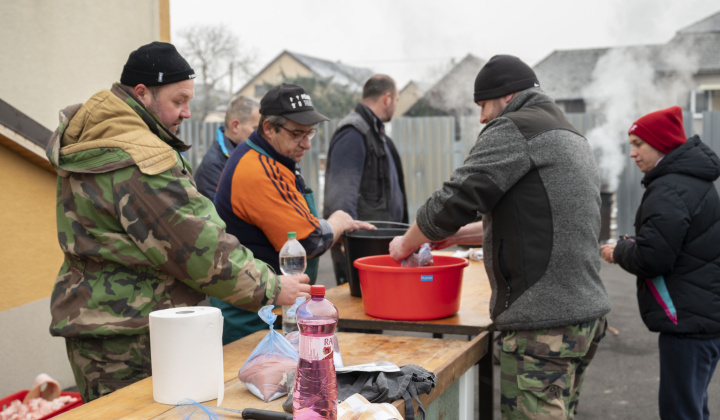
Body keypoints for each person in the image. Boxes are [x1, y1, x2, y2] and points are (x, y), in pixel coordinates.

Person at [45, 42, 310, 403]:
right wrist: (271, 287)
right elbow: (196, 246)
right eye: (178, 100)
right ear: (143, 93)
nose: (187, 112)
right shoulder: (139, 157)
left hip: (102, 325)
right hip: (135, 335)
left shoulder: (98, 137)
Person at [389, 54, 611, 419]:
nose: (482, 118)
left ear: (507, 96)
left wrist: (408, 242)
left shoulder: (515, 127)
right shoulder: (568, 133)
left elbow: (453, 199)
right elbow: (534, 224)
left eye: (483, 105)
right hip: (582, 320)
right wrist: (456, 236)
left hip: (543, 325)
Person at [212, 83, 373, 344]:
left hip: (273, 309)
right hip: (254, 319)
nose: (307, 144)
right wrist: (337, 223)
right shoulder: (260, 170)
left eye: (310, 133)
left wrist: (334, 230)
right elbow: (308, 241)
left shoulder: (275, 160)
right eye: (298, 133)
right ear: (268, 128)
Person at [601, 106, 720, 420]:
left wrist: (619, 252)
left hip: (688, 323)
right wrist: (633, 244)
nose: (632, 153)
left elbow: (653, 258)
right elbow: (678, 245)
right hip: (703, 317)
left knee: (680, 411)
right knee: (692, 406)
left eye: (638, 144)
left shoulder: (668, 189)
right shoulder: (693, 182)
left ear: (662, 144)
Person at [323, 74, 408, 285]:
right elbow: (342, 191)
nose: (396, 106)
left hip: (380, 245)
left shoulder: (378, 135)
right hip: (361, 248)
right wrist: (345, 238)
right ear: (387, 98)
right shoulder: (353, 132)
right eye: (397, 100)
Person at [194, 94, 260, 201]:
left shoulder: (246, 154)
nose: (261, 135)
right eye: (256, 129)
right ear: (235, 126)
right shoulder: (214, 165)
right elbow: (218, 214)